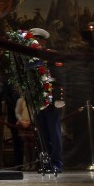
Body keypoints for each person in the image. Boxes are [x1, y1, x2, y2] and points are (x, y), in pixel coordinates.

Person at [27, 28, 65, 173]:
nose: (35, 41)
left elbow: (59, 77)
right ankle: (46, 162)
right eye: (33, 39)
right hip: (38, 100)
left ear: (43, 41)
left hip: (51, 99)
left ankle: (56, 163)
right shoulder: (30, 58)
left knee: (54, 133)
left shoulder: (50, 56)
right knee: (42, 133)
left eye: (37, 39)